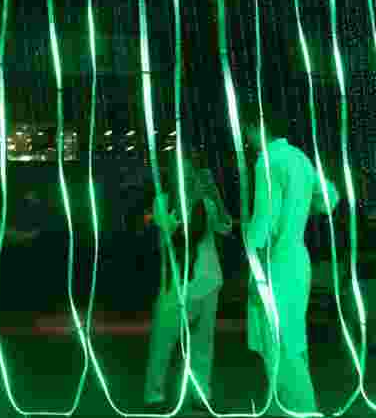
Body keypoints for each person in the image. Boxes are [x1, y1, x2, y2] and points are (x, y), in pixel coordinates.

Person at [241, 104, 335, 416]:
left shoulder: (267, 160)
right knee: (292, 338)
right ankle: (287, 408)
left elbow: (263, 220)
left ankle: (301, 410)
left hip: (275, 259)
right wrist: (300, 210)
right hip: (298, 256)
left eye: (248, 128)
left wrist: (253, 265)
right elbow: (330, 198)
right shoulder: (299, 157)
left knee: (277, 342)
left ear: (258, 127)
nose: (246, 135)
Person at [144, 151, 233, 410]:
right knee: (163, 342)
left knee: (203, 346)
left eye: (190, 171)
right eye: (181, 172)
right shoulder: (163, 200)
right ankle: (154, 395)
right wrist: (194, 198)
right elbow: (176, 230)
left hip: (208, 280)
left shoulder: (207, 203)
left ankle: (200, 394)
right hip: (175, 286)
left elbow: (226, 227)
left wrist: (214, 193)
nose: (186, 177)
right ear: (172, 174)